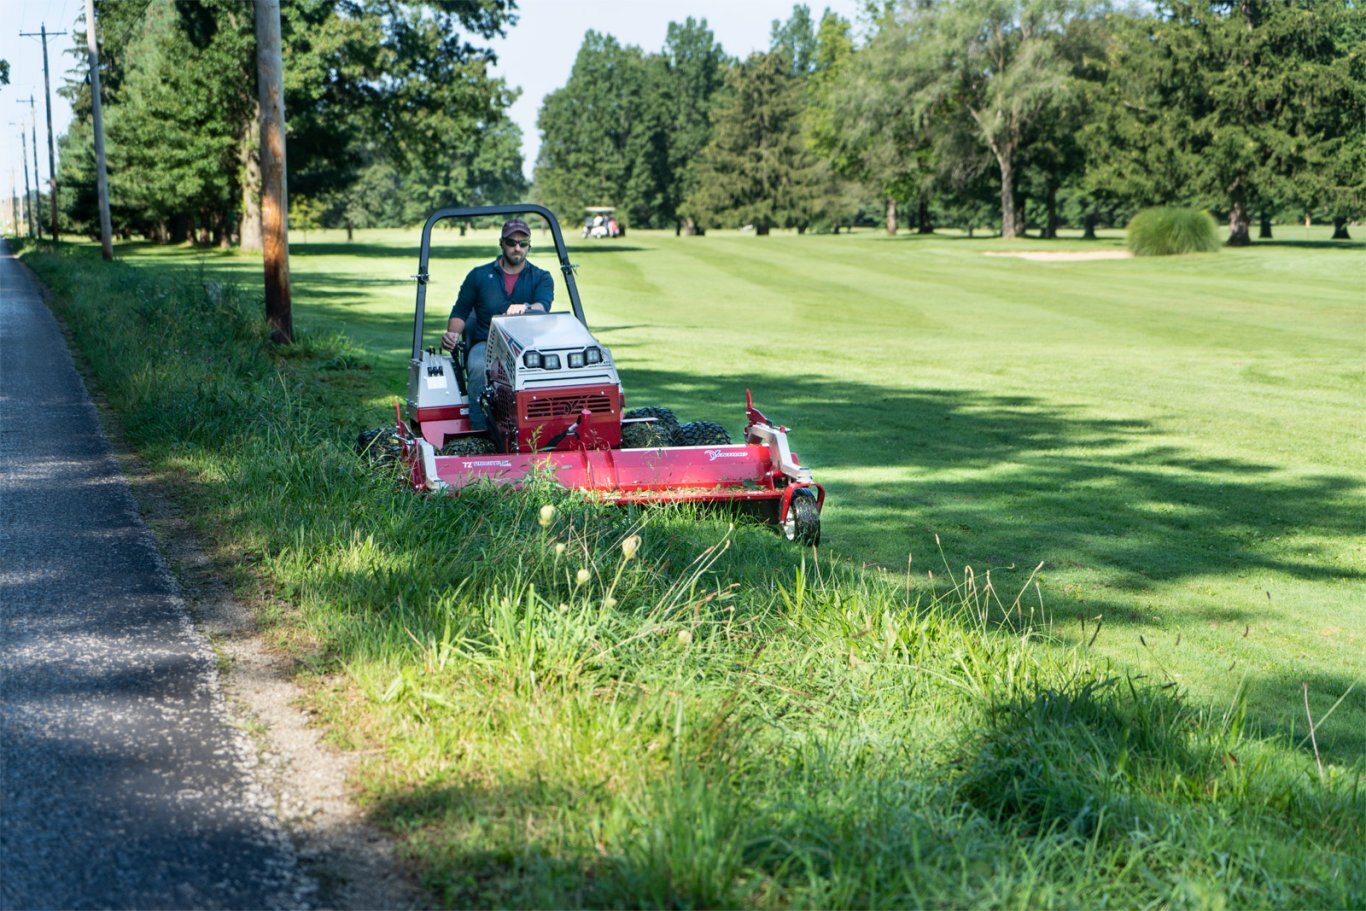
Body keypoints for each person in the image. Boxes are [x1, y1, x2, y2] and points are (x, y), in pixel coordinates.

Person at [441, 218, 554, 430]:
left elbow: (542, 308)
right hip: (487, 343)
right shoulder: (479, 276)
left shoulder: (541, 277)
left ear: (529, 245)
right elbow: (460, 312)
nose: (517, 248)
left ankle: (539, 427)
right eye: (512, 242)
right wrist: (453, 334)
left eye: (523, 243)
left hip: (527, 344)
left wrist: (526, 307)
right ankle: (480, 430)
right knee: (476, 365)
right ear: (501, 243)